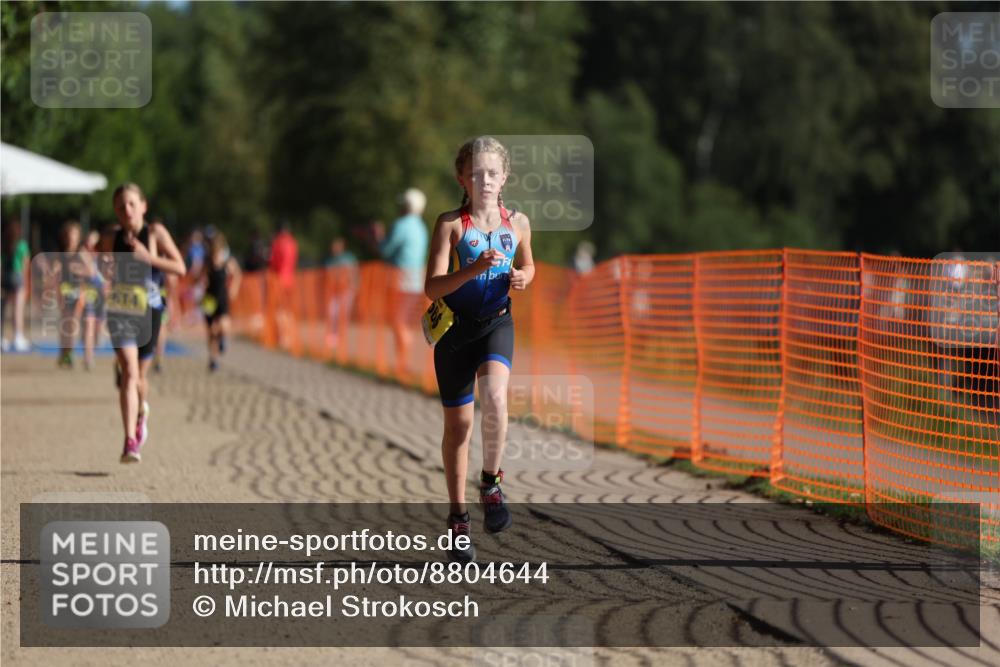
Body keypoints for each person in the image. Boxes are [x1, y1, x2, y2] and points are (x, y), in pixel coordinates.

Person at [424, 136, 535, 562]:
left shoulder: (518, 223)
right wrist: (472, 269)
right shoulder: (451, 224)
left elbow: (528, 263)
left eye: (492, 173)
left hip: (496, 325)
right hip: (454, 333)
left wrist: (525, 276)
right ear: (462, 178)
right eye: (475, 173)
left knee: (495, 397)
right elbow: (431, 287)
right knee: (460, 429)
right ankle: (457, 519)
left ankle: (491, 482)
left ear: (504, 177)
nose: (484, 180)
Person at [99, 183, 186, 464]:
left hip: (150, 312)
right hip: (121, 310)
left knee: (139, 380)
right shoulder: (110, 237)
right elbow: (92, 260)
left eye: (132, 204)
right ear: (115, 210)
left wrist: (150, 259)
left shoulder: (155, 233)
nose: (127, 210)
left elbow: (180, 267)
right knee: (129, 373)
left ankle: (141, 415)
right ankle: (129, 442)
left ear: (143, 206)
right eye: (121, 206)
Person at [372, 188, 430, 382]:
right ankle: (403, 363)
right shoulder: (421, 227)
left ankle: (403, 365)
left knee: (398, 322)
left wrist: (378, 237)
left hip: (400, 281)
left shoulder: (401, 225)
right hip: (416, 283)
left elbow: (385, 250)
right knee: (404, 323)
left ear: (406, 206)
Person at [201, 232, 242, 372]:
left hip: (222, 298)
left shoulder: (228, 262)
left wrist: (234, 288)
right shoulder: (207, 263)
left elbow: (237, 274)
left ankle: (224, 341)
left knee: (223, 326)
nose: (215, 254)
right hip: (209, 299)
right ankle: (213, 358)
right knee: (211, 331)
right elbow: (201, 277)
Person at [54, 221, 84, 368]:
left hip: (78, 293)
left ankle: (70, 353)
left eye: (74, 235)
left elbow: (91, 272)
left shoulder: (82, 253)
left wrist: (79, 270)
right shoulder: (61, 254)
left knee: (73, 324)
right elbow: (55, 274)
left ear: (78, 237)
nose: (71, 238)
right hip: (64, 293)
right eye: (68, 235)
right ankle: (63, 353)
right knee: (64, 324)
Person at [1, 217, 31, 352]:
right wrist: (26, 281)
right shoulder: (22, 244)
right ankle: (18, 337)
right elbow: (26, 263)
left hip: (5, 276)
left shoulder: (4, 244)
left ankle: (2, 338)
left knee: (3, 309)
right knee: (17, 309)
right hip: (18, 276)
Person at [324, 236, 358, 350]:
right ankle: (333, 335)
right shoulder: (330, 261)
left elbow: (354, 273)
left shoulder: (348, 259)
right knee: (332, 312)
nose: (334, 248)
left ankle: (341, 336)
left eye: (336, 246)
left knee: (342, 315)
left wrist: (354, 286)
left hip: (346, 291)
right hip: (334, 292)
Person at [269, 220, 298, 348]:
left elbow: (273, 262)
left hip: (279, 279)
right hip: (291, 278)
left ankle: (283, 338)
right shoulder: (293, 242)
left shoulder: (277, 243)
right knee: (288, 309)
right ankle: (290, 336)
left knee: (280, 309)